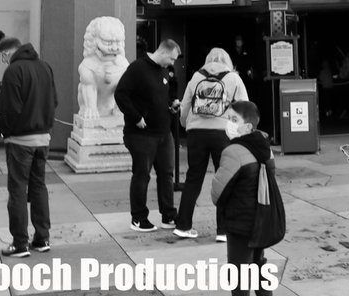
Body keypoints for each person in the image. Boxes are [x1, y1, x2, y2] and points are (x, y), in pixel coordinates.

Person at [174, 48, 248, 241]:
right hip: (222, 134)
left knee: (193, 178)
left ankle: (183, 225)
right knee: (224, 178)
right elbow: (244, 107)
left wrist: (186, 124)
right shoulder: (233, 78)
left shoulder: (196, 77)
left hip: (196, 133)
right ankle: (223, 230)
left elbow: (185, 105)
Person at [0, 35, 58, 257]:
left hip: (19, 141)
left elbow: (9, 108)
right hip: (43, 139)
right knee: (39, 187)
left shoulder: (13, 71)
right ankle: (42, 238)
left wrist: (6, 132)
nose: (5, 61)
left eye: (4, 56)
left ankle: (20, 243)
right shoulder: (45, 67)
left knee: (17, 192)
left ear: (8, 52)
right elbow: (55, 101)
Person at [211, 100, 278, 296]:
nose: (229, 124)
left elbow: (217, 193)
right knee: (258, 265)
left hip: (240, 221)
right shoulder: (266, 146)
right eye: (228, 118)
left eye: (233, 119)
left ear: (247, 126)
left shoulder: (233, 151)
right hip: (261, 218)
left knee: (239, 273)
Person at [114, 39, 181, 233]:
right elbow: (121, 94)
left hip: (163, 132)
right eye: (172, 59)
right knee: (142, 174)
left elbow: (166, 92)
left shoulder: (165, 71)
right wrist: (135, 117)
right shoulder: (137, 68)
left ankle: (168, 215)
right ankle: (138, 218)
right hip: (141, 134)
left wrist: (172, 104)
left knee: (166, 174)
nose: (172, 64)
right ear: (164, 52)